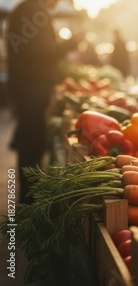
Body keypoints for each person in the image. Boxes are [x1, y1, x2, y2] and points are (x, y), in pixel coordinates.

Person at [6, 0, 81, 204]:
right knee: (32, 142)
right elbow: (41, 52)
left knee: (30, 141)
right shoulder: (33, 11)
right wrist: (70, 43)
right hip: (32, 90)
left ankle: (26, 196)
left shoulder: (27, 9)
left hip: (28, 88)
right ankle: (26, 199)